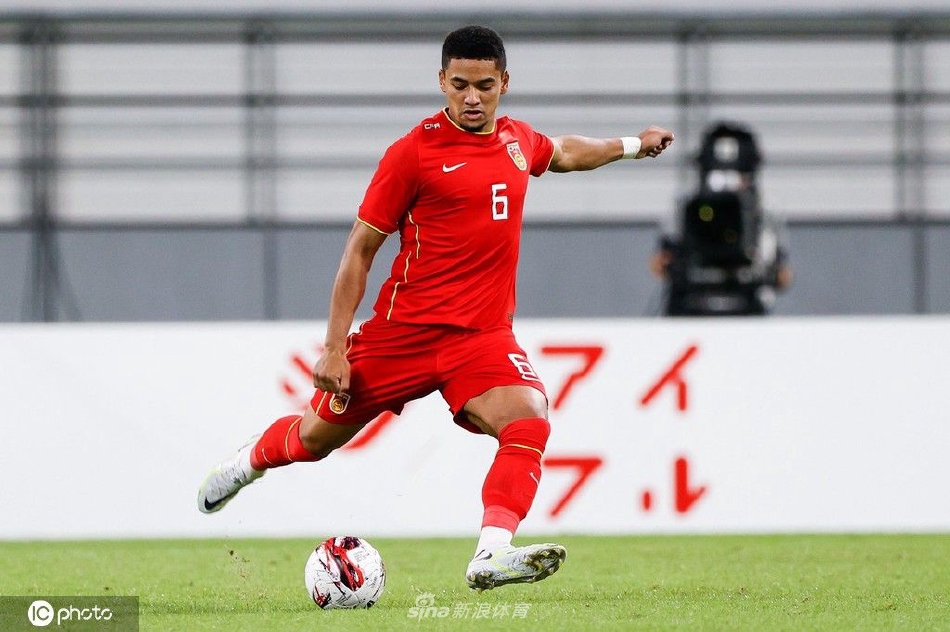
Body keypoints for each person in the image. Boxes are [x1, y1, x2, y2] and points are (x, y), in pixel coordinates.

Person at [198, 25, 674, 591]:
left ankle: (492, 551)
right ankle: (246, 464)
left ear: (504, 83)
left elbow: (567, 151)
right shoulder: (413, 154)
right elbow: (360, 250)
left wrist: (633, 144)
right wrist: (334, 347)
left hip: (481, 337)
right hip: (402, 334)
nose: (472, 98)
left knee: (528, 418)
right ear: (442, 81)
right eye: (460, 85)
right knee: (311, 440)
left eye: (485, 86)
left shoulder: (518, 140)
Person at [649, 121, 791, 316]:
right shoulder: (686, 207)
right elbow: (660, 264)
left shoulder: (766, 211)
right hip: (690, 306)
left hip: (747, 307)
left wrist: (765, 269)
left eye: (738, 176)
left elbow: (782, 276)